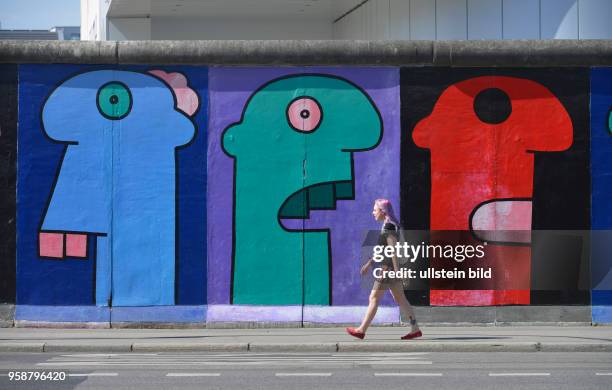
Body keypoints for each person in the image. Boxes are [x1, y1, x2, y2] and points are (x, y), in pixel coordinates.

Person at [346, 199, 422, 340]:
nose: (373, 212)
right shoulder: (391, 226)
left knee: (373, 298)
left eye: (375, 210)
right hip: (391, 268)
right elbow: (384, 250)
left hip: (387, 269)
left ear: (382, 211)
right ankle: (415, 328)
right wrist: (370, 263)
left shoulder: (388, 226)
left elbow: (392, 251)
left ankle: (361, 330)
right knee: (401, 299)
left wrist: (397, 271)